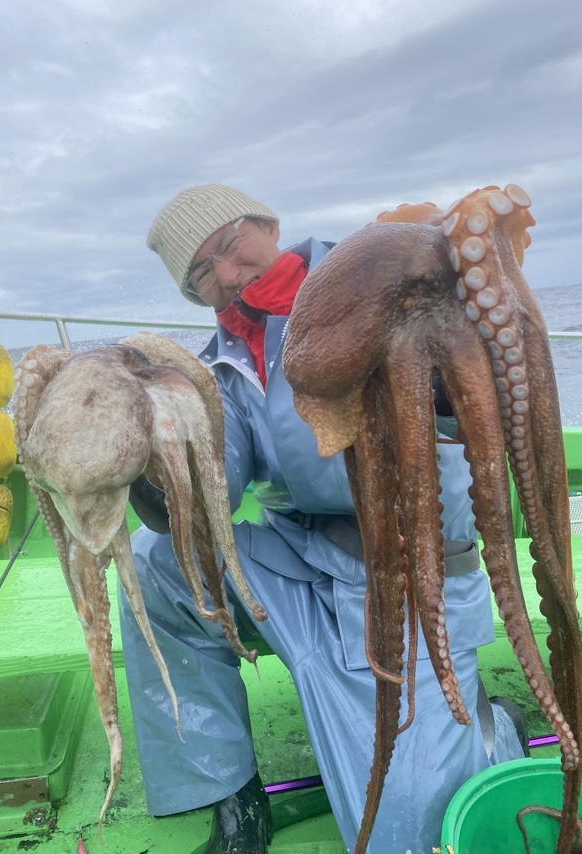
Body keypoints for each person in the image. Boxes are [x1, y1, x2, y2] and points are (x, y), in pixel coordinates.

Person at [118, 184, 528, 854]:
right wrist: (147, 456)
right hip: (298, 566)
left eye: (228, 246)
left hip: (405, 581)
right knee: (155, 564)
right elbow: (215, 485)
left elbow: (468, 397)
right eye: (201, 275)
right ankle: (232, 797)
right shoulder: (221, 364)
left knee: (404, 837)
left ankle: (493, 730)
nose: (226, 273)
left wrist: (440, 380)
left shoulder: (378, 275)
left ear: (267, 225)